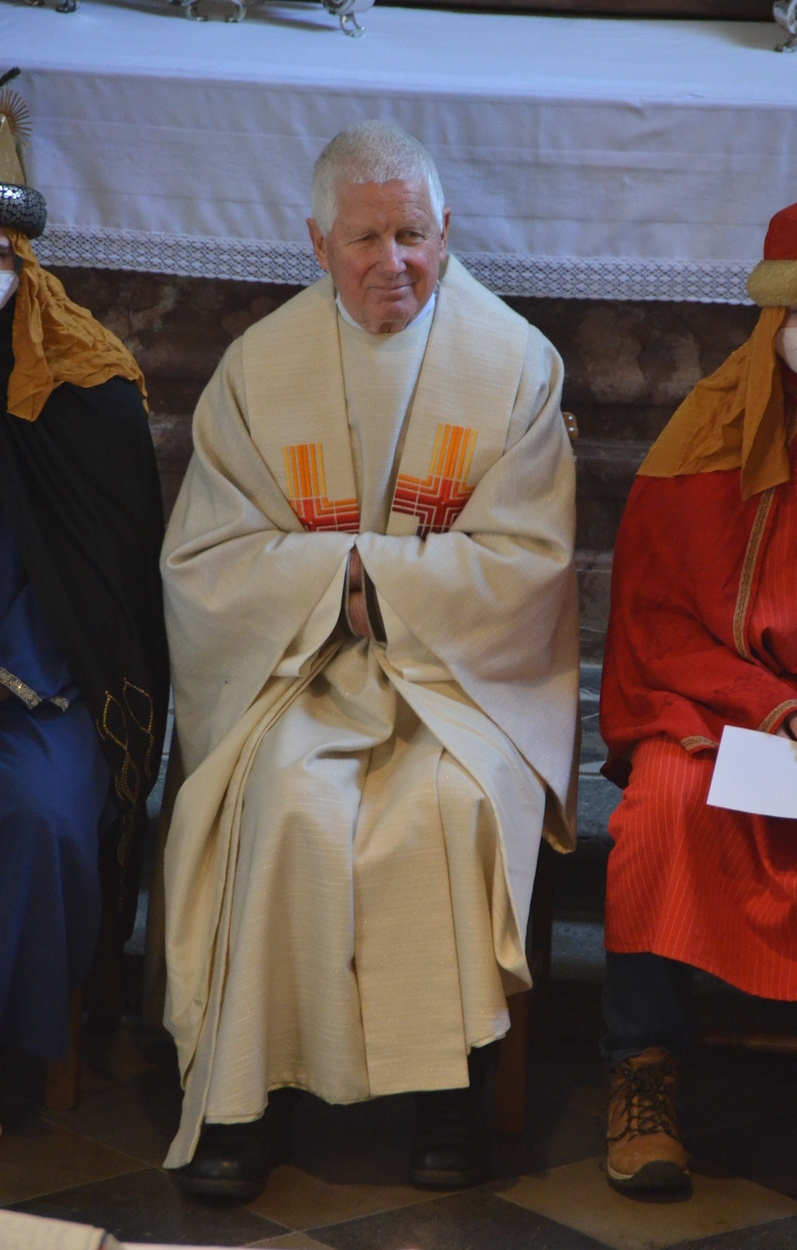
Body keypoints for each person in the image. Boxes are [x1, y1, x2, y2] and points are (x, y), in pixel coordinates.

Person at [160, 120, 579, 1199]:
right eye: (364, 238)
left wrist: (372, 582)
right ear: (317, 243)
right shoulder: (259, 370)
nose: (393, 261)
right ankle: (249, 1096)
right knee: (286, 799)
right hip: (300, 669)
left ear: (447, 230)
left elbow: (531, 561)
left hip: (458, 679)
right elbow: (205, 557)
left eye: (413, 234)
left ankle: (450, 1094)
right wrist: (336, 586)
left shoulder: (514, 365)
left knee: (446, 805)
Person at [599, 193, 797, 1195]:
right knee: (660, 808)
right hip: (723, 712)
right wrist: (760, 699)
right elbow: (656, 617)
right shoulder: (709, 432)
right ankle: (641, 1069)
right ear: (772, 321)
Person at [0, 78, 169, 1128]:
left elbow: (108, 591)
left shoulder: (87, 392)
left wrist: (25, 668)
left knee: (43, 816)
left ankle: (20, 1046)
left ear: (19, 257)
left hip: (41, 682)